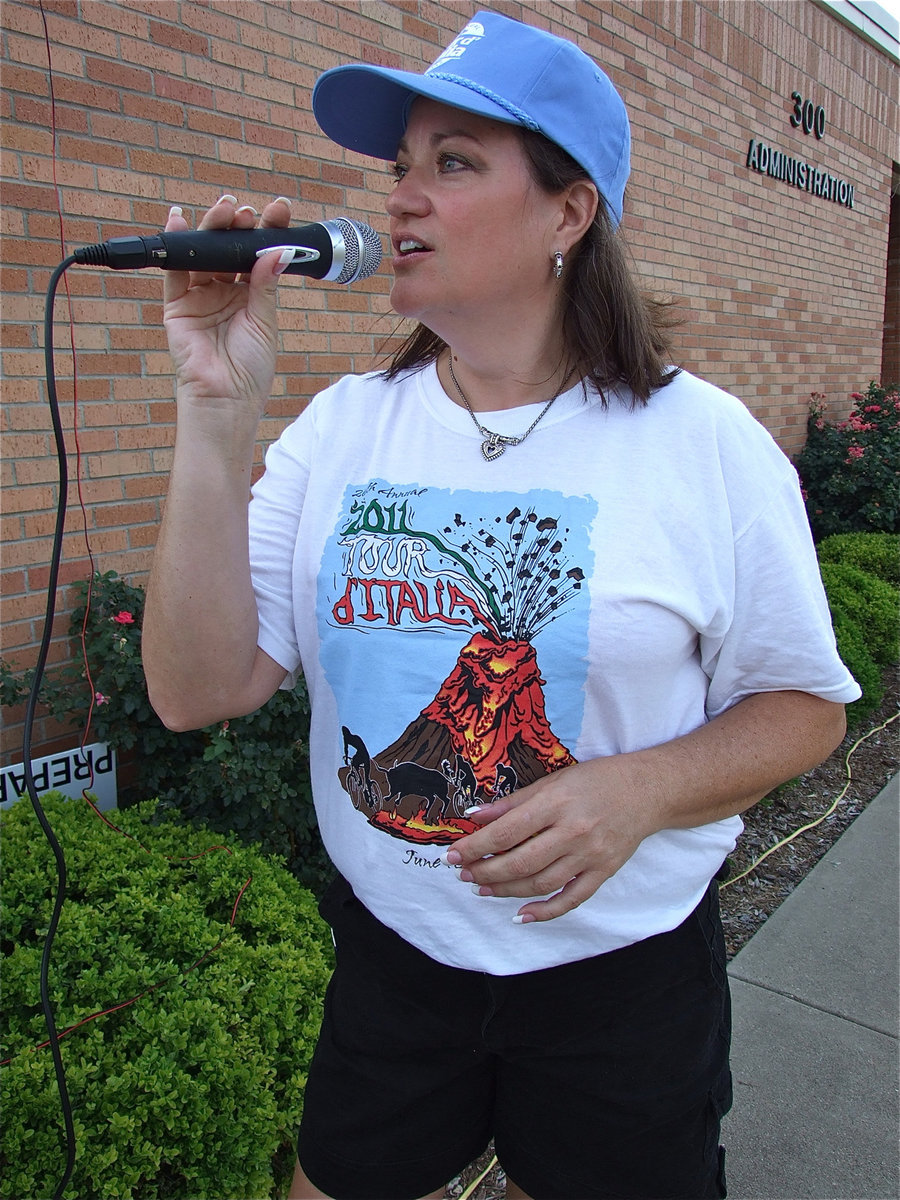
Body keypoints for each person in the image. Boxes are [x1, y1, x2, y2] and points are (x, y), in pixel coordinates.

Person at [142, 11, 860, 1200]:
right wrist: (215, 415)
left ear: (569, 214)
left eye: (454, 163)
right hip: (395, 958)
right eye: (400, 168)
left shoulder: (702, 444)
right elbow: (195, 691)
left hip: (620, 979)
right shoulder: (344, 432)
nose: (402, 201)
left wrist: (641, 790)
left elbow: (806, 707)